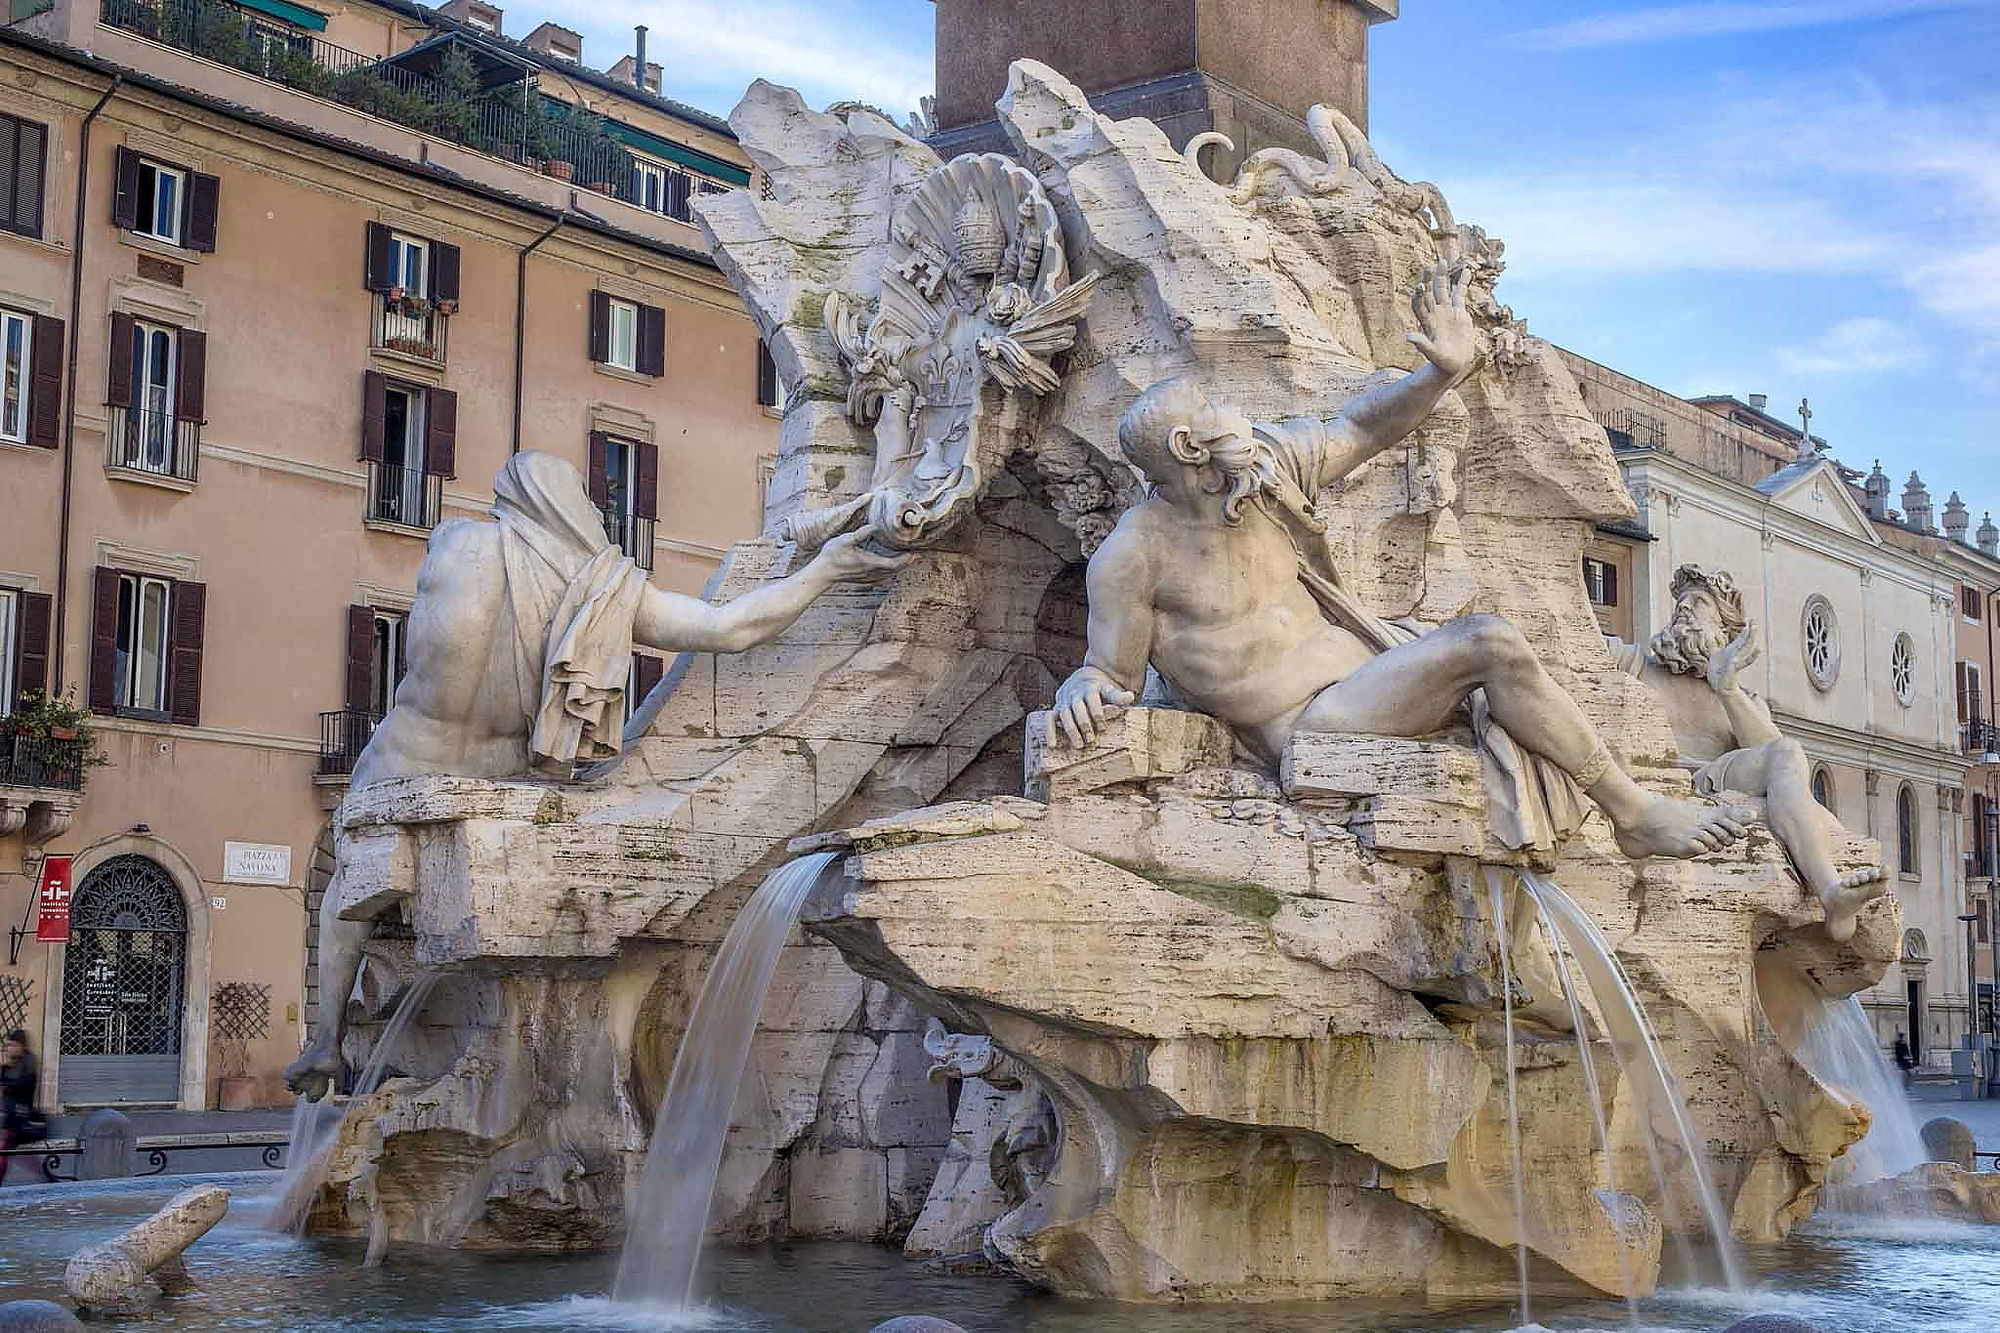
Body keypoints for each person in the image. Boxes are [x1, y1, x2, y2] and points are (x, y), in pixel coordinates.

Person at [1048, 264, 1747, 863]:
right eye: (1211, 408)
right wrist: (1081, 685)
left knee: (1492, 653)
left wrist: (1441, 373)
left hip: (1370, 668)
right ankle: (1634, 814)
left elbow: (1360, 426)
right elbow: (1111, 674)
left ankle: (1635, 802)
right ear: (1187, 446)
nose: (1229, 408)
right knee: (1489, 640)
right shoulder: (1133, 555)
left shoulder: (1262, 471)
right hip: (1309, 725)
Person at [286, 451, 911, 1099]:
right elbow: (730, 626)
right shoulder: (601, 589)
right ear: (567, 508)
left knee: (350, 898)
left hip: (399, 765)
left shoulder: (454, 543)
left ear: (512, 499)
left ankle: (323, 1040)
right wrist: (827, 568)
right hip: (508, 789)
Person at [1611, 564, 1886, 940]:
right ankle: (1830, 885)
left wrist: (1726, 688)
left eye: (1698, 601)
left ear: (1724, 629)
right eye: (1680, 601)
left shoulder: (1744, 699)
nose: (1684, 608)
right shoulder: (1634, 662)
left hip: (1711, 780)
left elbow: (1779, 760)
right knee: (1813, 818)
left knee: (1787, 752)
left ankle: (1831, 893)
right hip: (1648, 785)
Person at [1, 1029, 43, 1183]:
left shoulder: (28, 1061)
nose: (9, 1048)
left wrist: (8, 1085)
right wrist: (5, 1067)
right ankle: (45, 1176)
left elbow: (26, 1084)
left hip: (20, 1114)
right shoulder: (14, 1062)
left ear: (21, 1045)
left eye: (12, 1045)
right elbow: (4, 1081)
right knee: (20, 1152)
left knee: (5, 1150)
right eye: (8, 1045)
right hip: (11, 1113)